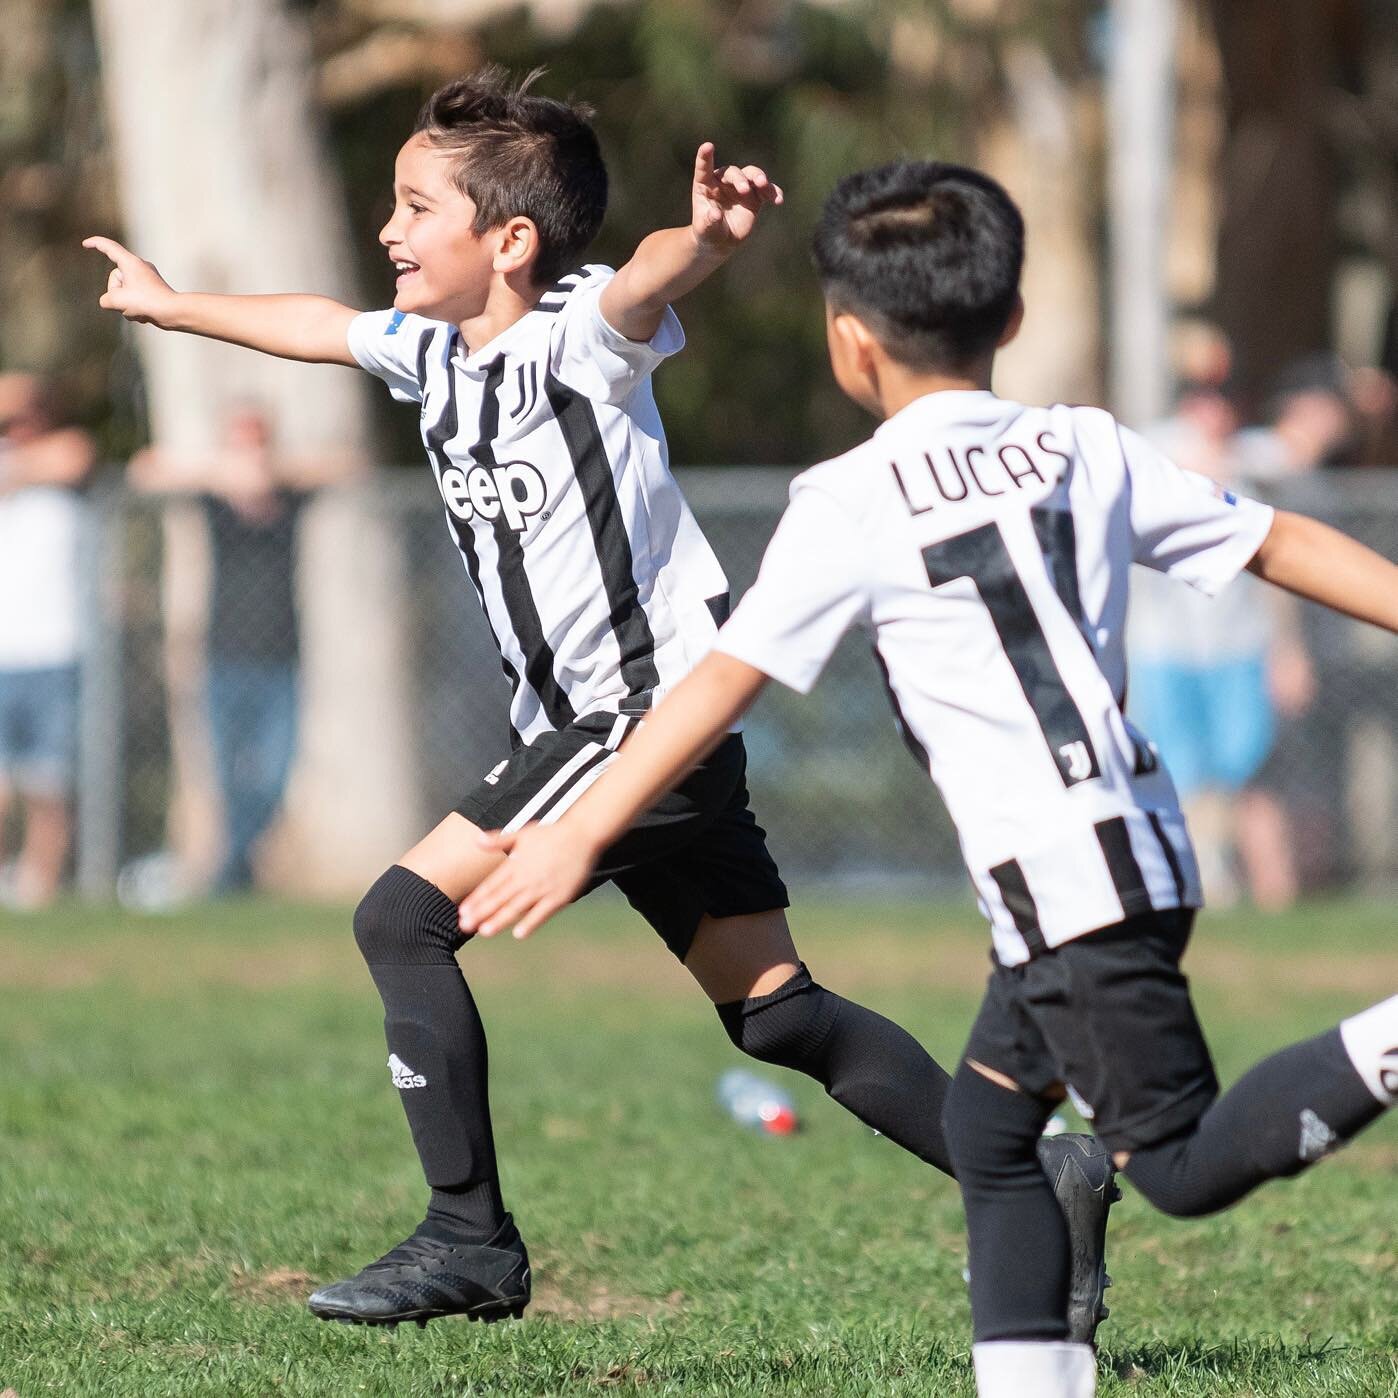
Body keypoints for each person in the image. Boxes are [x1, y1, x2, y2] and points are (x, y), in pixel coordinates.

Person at [84, 70, 1115, 1336]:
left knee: (400, 920)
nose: (390, 232)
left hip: (643, 716)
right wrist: (170, 306)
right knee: (779, 1013)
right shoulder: (427, 353)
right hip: (625, 734)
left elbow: (644, 280)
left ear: (510, 242)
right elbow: (316, 322)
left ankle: (470, 1240)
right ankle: (1039, 1169)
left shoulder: (576, 338)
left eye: (415, 207)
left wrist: (711, 240)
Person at [460, 161, 1398, 1398]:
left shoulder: (850, 498)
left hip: (1068, 878)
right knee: (990, 1133)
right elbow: (1276, 539)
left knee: (1169, 1163)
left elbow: (716, 685)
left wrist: (579, 833)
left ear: (850, 347)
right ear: (1009, 321)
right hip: (1126, 845)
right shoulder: (1085, 446)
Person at [129, 404, 348, 893]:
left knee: (273, 779)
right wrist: (222, 473)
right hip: (222, 660)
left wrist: (271, 473)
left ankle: (230, 870)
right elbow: (144, 470)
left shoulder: (289, 496)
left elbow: (350, 464)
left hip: (282, 661)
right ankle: (233, 876)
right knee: (226, 783)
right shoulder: (214, 499)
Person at [1127, 378, 1308, 909]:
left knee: (1247, 770)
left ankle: (1274, 895)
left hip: (1237, 648)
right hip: (1165, 648)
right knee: (1179, 775)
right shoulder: (1153, 456)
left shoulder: (1253, 468)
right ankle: (1194, 886)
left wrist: (1288, 651)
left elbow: (1299, 449)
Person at [0, 373, 96, 908]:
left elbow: (72, 456)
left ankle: (38, 893)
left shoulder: (67, 453)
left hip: (56, 651)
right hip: (2, 652)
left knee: (48, 785)